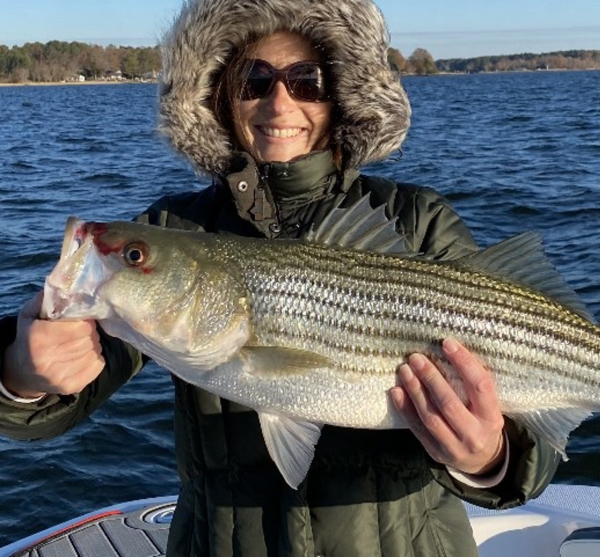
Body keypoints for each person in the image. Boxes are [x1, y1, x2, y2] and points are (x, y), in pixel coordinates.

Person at [0, 0, 559, 555]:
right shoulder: (178, 227)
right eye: (254, 80)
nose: (280, 102)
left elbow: (530, 454)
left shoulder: (417, 220)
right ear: (219, 94)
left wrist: (488, 458)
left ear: (342, 94)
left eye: (307, 81)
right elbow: (55, 402)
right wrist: (22, 374)